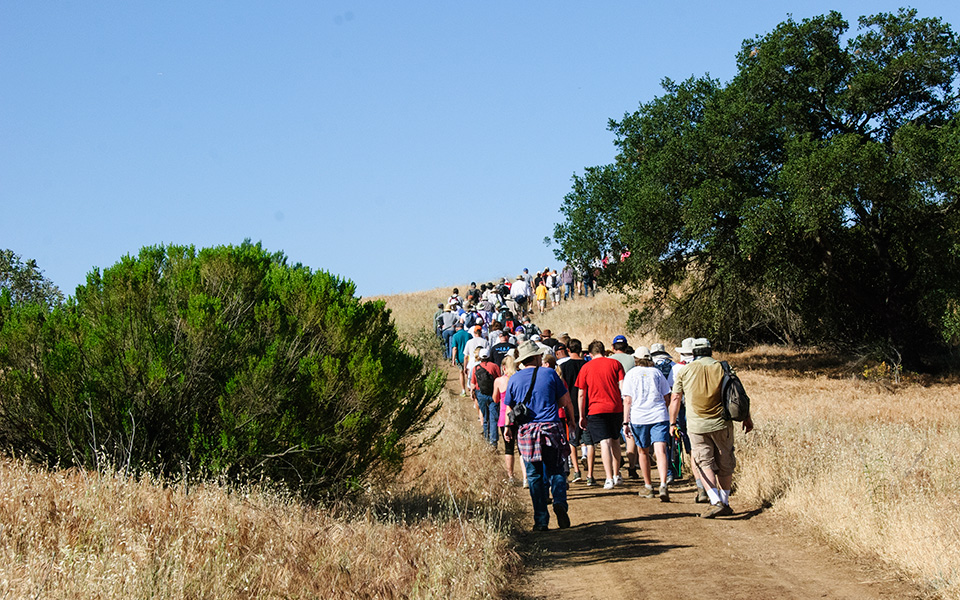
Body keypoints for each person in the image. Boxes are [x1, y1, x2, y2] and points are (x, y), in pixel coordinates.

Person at [669, 338, 754, 518]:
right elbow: (739, 394)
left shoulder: (685, 371)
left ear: (694, 353)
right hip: (722, 423)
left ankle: (715, 500)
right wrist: (747, 418)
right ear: (710, 351)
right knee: (725, 460)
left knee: (703, 461)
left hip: (697, 425)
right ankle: (725, 501)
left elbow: (675, 398)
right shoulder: (723, 368)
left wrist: (672, 423)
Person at [503, 340, 576, 531]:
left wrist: (507, 427)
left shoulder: (514, 379)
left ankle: (541, 519)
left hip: (527, 431)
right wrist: (572, 421)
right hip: (551, 427)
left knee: (534, 475)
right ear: (536, 357)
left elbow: (509, 406)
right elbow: (565, 401)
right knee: (556, 469)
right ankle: (560, 502)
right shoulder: (550, 373)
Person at [622, 346, 674, 501]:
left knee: (643, 452)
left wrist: (625, 422)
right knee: (661, 451)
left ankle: (648, 486)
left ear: (636, 359)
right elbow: (667, 396)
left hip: (639, 417)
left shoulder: (630, 374)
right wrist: (665, 410)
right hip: (658, 415)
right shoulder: (657, 373)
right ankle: (663, 484)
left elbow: (627, 400)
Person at [575, 340, 625, 490]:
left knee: (604, 443)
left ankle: (609, 478)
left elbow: (581, 394)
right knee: (615, 440)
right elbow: (622, 386)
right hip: (616, 407)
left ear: (590, 354)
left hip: (596, 408)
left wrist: (581, 415)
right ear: (603, 351)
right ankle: (617, 474)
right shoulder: (615, 364)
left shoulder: (586, 367)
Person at [558, 339, 588, 483]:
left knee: (572, 440)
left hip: (572, 405)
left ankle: (576, 470)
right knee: (589, 439)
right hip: (588, 404)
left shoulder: (564, 367)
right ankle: (587, 458)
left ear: (568, 350)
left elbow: (563, 389)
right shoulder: (587, 365)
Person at [610, 335, 639, 478]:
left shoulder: (608, 361)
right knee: (630, 435)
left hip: (612, 400)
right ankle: (632, 466)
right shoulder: (633, 360)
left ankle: (617, 462)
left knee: (613, 435)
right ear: (626, 346)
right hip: (630, 399)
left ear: (613, 347)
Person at [495, 354, 524, 485]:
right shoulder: (520, 378)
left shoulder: (499, 381)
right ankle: (525, 478)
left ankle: (510, 476)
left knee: (509, 448)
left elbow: (495, 399)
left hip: (504, 417)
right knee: (522, 448)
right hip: (520, 416)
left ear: (504, 367)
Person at [472, 348, 502, 447]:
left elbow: (473, 384)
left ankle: (486, 438)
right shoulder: (495, 366)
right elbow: (499, 378)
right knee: (493, 418)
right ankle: (493, 442)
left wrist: (473, 394)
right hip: (493, 394)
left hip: (481, 394)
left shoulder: (476, 368)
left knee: (485, 417)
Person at [450, 323, 471, 396]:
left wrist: (453, 359)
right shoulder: (468, 335)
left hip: (460, 357)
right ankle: (470, 388)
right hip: (468, 357)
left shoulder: (455, 336)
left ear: (457, 328)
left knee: (461, 372)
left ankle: (463, 390)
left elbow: (455, 348)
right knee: (468, 373)